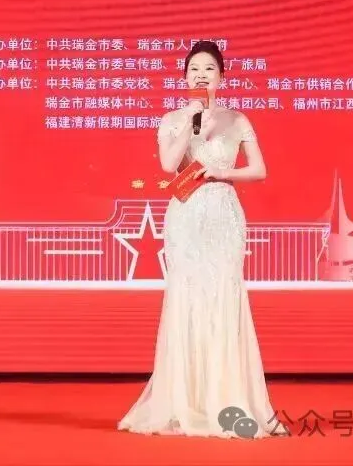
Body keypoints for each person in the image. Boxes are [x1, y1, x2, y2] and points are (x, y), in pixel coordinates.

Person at [118, 40, 278, 438]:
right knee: (187, 298)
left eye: (209, 69)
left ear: (222, 76)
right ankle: (183, 401)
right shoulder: (173, 118)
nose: (201, 75)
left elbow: (259, 169)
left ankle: (227, 400)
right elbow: (168, 165)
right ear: (184, 77)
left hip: (223, 215)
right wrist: (192, 123)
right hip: (186, 215)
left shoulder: (237, 119)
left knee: (223, 298)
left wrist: (222, 173)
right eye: (194, 69)